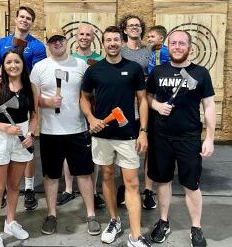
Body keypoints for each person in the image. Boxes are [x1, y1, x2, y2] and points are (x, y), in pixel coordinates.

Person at [80, 26, 151, 247]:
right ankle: (114, 220)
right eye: (108, 40)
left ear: (122, 42)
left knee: (131, 182)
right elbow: (83, 98)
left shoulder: (134, 69)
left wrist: (143, 131)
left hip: (128, 135)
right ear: (103, 43)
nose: (112, 43)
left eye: (116, 39)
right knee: (107, 176)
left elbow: (143, 101)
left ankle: (135, 236)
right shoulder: (94, 71)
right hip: (102, 135)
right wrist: (91, 118)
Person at [146, 30, 216, 247]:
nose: (177, 47)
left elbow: (209, 105)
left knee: (191, 185)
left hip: (189, 137)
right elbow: (147, 98)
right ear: (168, 46)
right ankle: (163, 221)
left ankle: (196, 227)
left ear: (190, 47)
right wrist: (157, 105)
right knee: (163, 180)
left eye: (182, 43)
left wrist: (210, 138)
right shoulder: (158, 71)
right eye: (173, 43)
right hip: (161, 137)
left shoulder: (201, 73)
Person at [30, 28, 101, 236]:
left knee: (84, 174)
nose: (57, 43)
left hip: (78, 130)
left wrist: (90, 118)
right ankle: (51, 214)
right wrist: (47, 101)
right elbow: (34, 100)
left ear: (66, 41)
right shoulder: (39, 68)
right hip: (51, 132)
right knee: (51, 175)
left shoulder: (80, 65)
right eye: (52, 41)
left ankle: (90, 215)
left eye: (60, 39)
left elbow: (86, 96)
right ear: (48, 44)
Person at [0, 5, 46, 211]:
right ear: (16, 19)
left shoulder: (38, 47)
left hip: (26, 95)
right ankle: (3, 189)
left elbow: (38, 74)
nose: (24, 20)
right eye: (21, 16)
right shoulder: (1, 43)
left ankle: (29, 187)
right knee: (5, 144)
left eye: (28, 18)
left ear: (32, 22)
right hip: (5, 93)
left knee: (26, 143)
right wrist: (3, 76)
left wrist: (22, 81)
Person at [0, 48, 38, 247]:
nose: (13, 66)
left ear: (23, 64)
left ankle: (10, 222)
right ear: (3, 66)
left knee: (14, 186)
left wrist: (30, 134)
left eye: (17, 62)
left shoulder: (31, 87)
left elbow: (34, 116)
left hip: (21, 138)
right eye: (8, 62)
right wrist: (4, 127)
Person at [57, 23, 105, 209]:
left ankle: (93, 191)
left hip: (93, 109)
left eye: (88, 34)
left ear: (93, 38)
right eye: (81, 34)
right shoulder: (67, 59)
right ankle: (68, 189)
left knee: (95, 149)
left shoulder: (100, 60)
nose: (84, 37)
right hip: (71, 109)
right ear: (76, 37)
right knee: (69, 149)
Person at [118, 14, 156, 210]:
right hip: (127, 104)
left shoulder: (149, 50)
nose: (134, 28)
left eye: (137, 25)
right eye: (130, 25)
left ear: (141, 29)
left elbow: (154, 75)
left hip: (146, 102)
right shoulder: (120, 51)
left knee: (148, 147)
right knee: (129, 146)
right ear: (124, 30)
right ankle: (125, 185)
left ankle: (148, 190)